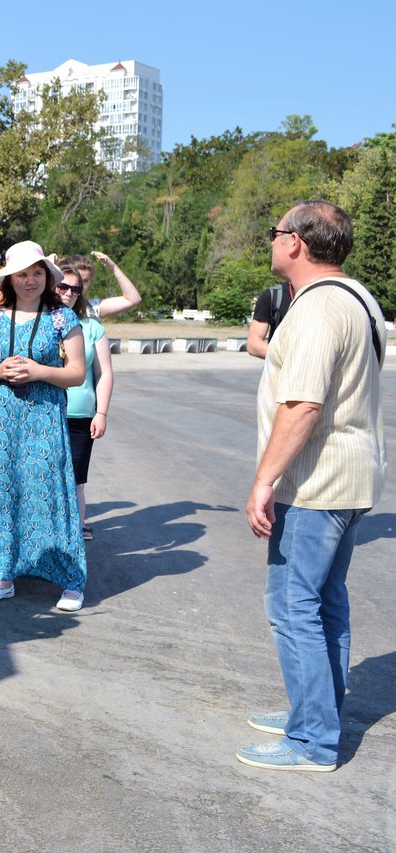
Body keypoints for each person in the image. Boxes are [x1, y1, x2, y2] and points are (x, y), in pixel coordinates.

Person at [240, 202, 385, 772]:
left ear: (296, 242)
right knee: (325, 602)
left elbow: (302, 405)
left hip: (316, 483)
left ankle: (312, 740)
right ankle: (315, 710)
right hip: (350, 477)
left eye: (275, 234)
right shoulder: (357, 296)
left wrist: (263, 481)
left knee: (293, 605)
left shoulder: (317, 308)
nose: (271, 243)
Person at [0, 241, 87, 612]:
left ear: (47, 276)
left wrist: (38, 371)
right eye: (22, 274)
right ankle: (2, 575)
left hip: (43, 416)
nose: (30, 280)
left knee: (49, 492)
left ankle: (70, 579)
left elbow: (77, 373)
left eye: (37, 273)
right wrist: (0, 371)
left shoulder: (63, 318)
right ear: (10, 279)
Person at [54, 266, 114, 541]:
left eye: (74, 289)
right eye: (62, 286)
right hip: (44, 411)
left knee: (76, 479)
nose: (68, 293)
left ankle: (74, 533)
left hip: (80, 415)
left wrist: (101, 413)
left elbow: (104, 374)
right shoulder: (39, 322)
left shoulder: (92, 328)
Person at [61, 252, 142, 319]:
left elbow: (133, 299)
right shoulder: (50, 307)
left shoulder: (92, 308)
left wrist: (114, 268)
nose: (80, 285)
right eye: (78, 280)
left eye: (85, 281)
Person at [246, 281, 293, 359]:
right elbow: (253, 344)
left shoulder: (319, 293)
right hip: (282, 368)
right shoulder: (273, 295)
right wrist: (292, 359)